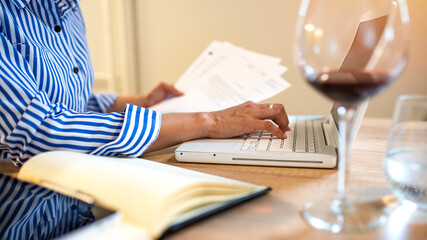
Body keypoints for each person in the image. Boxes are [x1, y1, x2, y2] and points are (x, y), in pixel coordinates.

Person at [0, 0, 289, 238]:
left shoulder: (67, 7)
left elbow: (64, 101)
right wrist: (207, 121)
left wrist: (133, 103)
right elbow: (39, 129)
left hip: (72, 196)